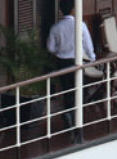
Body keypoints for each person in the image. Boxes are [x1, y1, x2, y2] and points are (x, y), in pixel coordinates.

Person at [46, 0, 95, 129]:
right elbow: (88, 44)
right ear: (73, 9)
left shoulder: (56, 27)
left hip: (62, 62)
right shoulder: (81, 25)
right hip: (76, 62)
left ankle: (69, 114)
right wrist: (92, 58)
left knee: (67, 90)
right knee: (81, 89)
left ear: (61, 10)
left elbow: (50, 48)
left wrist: (60, 50)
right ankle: (74, 115)